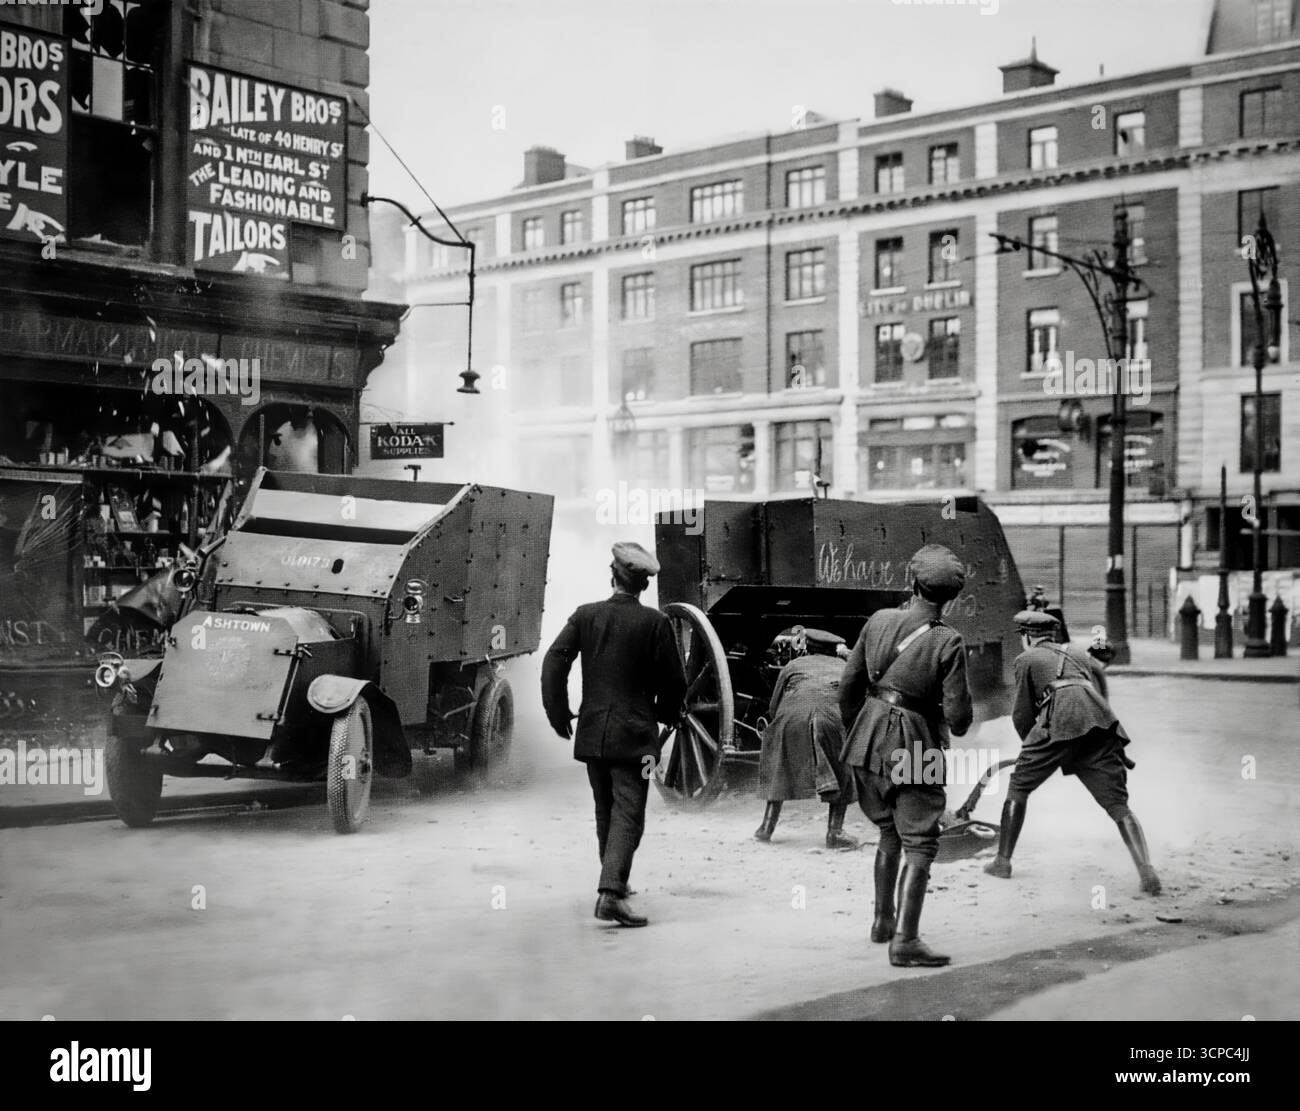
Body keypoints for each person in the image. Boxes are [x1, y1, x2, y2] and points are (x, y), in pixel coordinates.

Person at [839, 544, 973, 968]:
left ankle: (883, 921)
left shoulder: (878, 620)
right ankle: (906, 941)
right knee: (922, 842)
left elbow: (848, 688)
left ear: (910, 583)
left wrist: (859, 732)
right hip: (916, 747)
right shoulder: (948, 640)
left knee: (888, 833)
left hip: (865, 740)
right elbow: (960, 719)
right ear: (950, 597)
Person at [541, 541, 687, 928]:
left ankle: (615, 881)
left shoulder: (585, 616)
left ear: (613, 576)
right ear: (643, 585)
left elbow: (554, 660)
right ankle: (610, 895)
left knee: (605, 809)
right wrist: (666, 715)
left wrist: (558, 712)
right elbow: (674, 682)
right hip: (636, 742)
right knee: (630, 814)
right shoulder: (655, 624)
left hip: (593, 736)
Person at [983, 610, 1161, 895]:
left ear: (1027, 636)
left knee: (1019, 787)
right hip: (1100, 724)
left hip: (1060, 722)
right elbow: (1097, 694)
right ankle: (1147, 872)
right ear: (1052, 635)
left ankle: (1002, 863)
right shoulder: (1078, 653)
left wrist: (1031, 750)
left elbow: (1022, 714)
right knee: (1117, 805)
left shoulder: (1026, 659)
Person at [753, 628, 859, 850]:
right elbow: (854, 705)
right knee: (844, 767)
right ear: (835, 651)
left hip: (791, 717)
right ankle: (835, 833)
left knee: (778, 764)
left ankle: (766, 828)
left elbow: (773, 707)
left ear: (807, 648)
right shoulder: (845, 667)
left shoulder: (793, 666)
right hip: (831, 718)